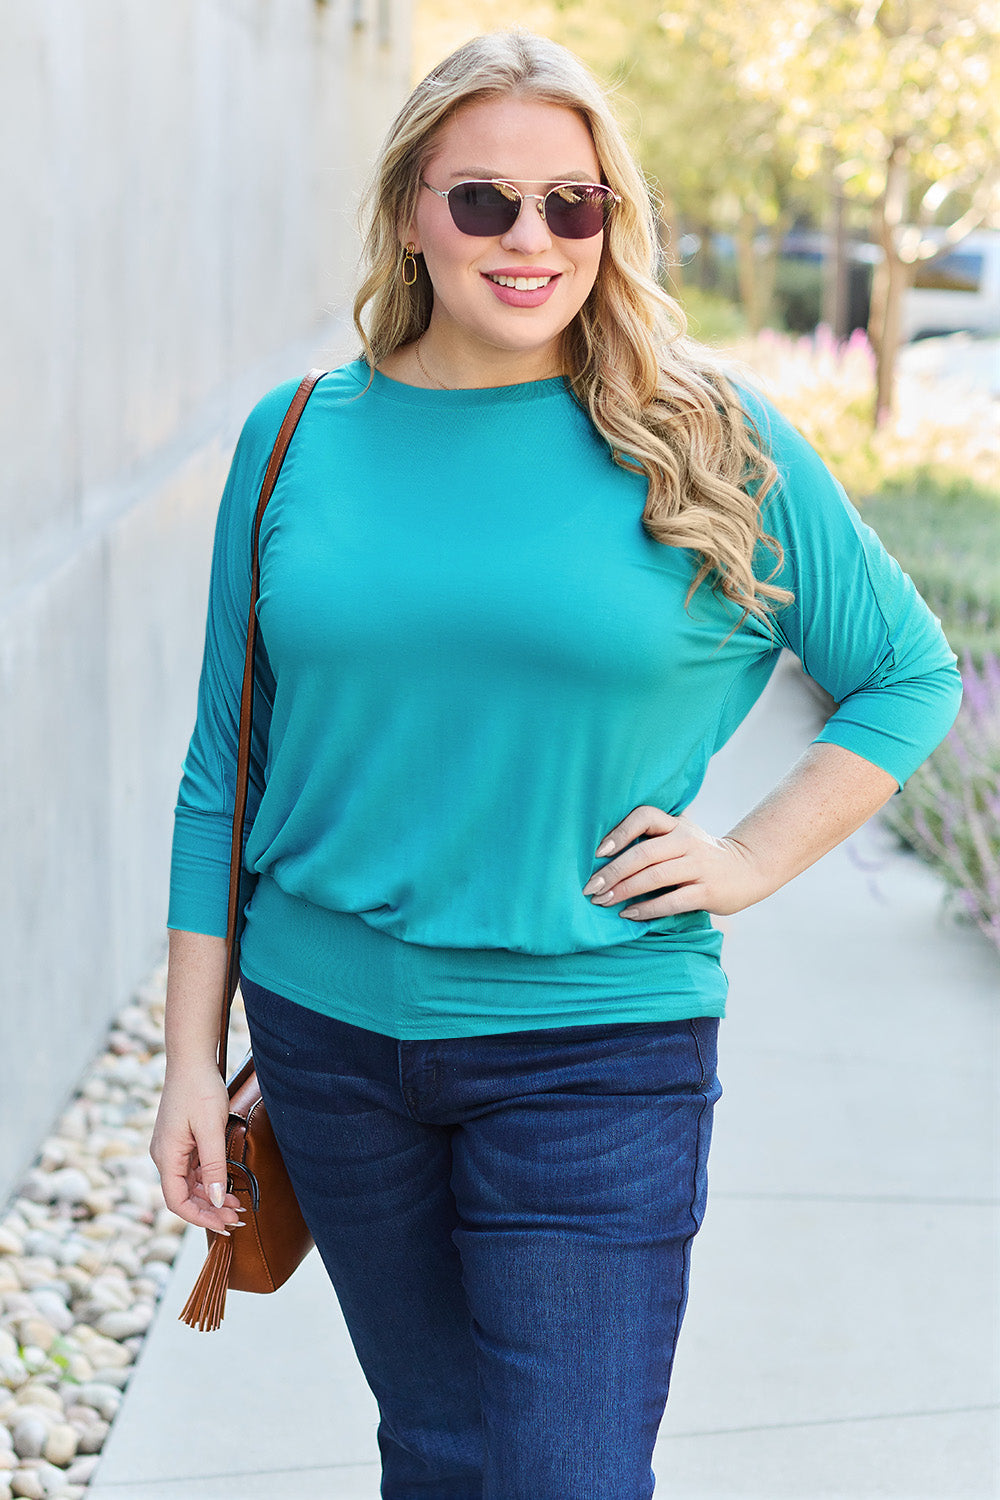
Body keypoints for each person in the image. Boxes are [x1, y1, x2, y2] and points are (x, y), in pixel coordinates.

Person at [150, 28, 962, 1500]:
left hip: (595, 1051)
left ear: (610, 218)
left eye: (571, 205)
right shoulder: (291, 441)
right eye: (486, 203)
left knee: (569, 1477)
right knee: (443, 1447)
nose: (532, 241)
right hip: (331, 1047)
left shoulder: (708, 441)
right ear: (411, 208)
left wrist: (756, 857)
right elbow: (224, 763)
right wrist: (191, 1066)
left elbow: (902, 675)